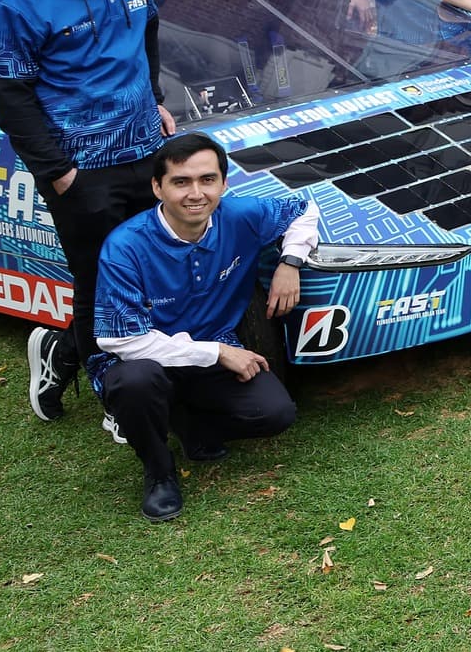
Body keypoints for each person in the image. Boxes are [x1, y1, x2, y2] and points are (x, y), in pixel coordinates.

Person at [0, 0, 176, 424]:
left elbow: (147, 34)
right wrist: (59, 171)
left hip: (146, 153)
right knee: (100, 285)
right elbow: (10, 93)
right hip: (81, 169)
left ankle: (60, 350)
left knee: (153, 271)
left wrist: (156, 96)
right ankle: (117, 401)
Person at [91, 134, 314, 521]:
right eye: (181, 182)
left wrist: (290, 262)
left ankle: (192, 426)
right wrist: (218, 352)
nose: (196, 193)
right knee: (136, 383)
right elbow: (121, 339)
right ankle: (159, 474)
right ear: (157, 187)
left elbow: (304, 209)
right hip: (143, 360)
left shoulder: (241, 215)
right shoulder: (125, 245)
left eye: (207, 180)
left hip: (213, 348)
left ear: (223, 184)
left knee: (276, 413)